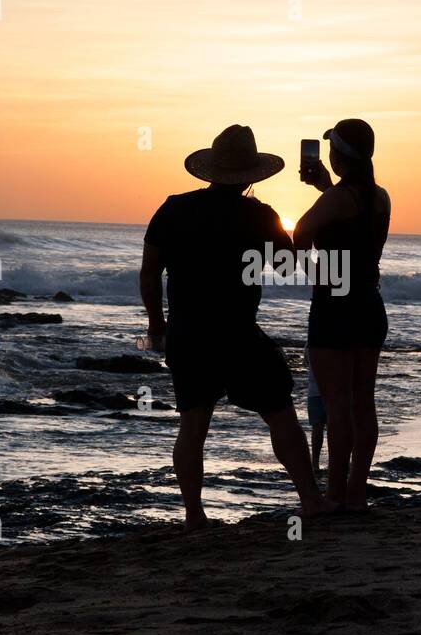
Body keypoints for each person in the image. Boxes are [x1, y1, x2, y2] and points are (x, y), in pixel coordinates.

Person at [140, 124, 336, 529]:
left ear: (210, 170)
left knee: (193, 425)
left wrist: (157, 324)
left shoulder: (174, 208)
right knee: (280, 412)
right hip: (238, 333)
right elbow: (288, 266)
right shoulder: (259, 215)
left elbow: (149, 273)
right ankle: (311, 500)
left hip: (188, 333)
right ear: (251, 176)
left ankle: (194, 514)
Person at [294, 119, 390, 513]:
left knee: (336, 404)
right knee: (362, 401)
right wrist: (326, 188)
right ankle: (356, 492)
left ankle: (333, 493)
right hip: (369, 305)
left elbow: (301, 232)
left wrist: (315, 272)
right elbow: (352, 223)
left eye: (331, 148)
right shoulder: (380, 196)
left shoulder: (337, 199)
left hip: (335, 308)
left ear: (338, 155)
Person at [305, 344, 327, 484]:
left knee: (317, 428)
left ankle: (315, 463)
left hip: (314, 391)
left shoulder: (309, 345)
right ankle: (339, 462)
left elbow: (306, 362)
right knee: (335, 427)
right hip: (328, 390)